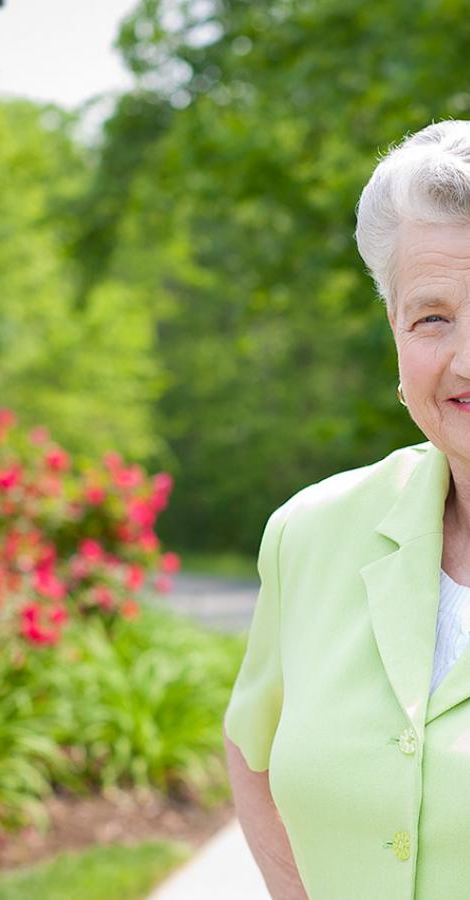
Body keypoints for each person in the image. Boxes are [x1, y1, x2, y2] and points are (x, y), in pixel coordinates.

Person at [224, 119, 470, 899]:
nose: (466, 358)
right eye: (433, 317)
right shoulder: (311, 533)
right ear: (396, 340)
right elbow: (252, 749)